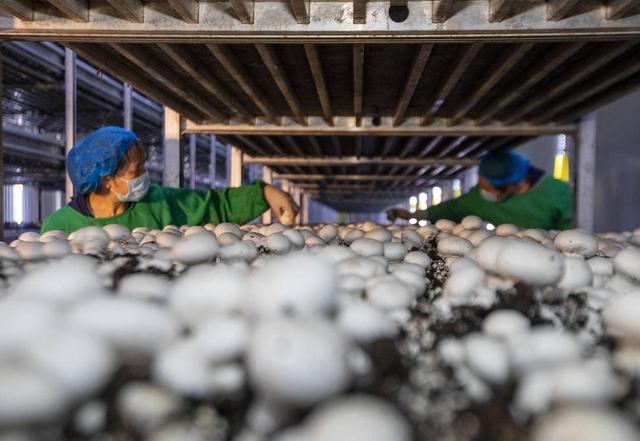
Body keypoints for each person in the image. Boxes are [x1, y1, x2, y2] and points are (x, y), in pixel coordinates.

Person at [41, 126, 299, 234]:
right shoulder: (60, 226)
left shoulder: (160, 202)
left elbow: (217, 206)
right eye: (136, 168)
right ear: (108, 179)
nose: (145, 174)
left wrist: (265, 193)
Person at [387, 151, 573, 230]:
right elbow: (451, 208)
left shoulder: (558, 193)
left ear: (511, 185)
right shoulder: (478, 199)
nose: (483, 192)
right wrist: (412, 215)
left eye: (488, 188)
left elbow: (570, 233)